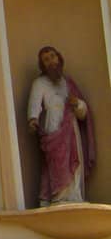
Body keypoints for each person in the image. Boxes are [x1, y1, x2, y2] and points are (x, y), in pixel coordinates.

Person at [28, 44, 95, 205]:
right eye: (46, 59)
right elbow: (35, 103)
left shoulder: (68, 83)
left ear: (59, 57)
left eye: (52, 56)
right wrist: (33, 119)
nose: (51, 61)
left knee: (74, 162)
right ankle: (59, 197)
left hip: (71, 131)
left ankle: (74, 196)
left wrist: (77, 104)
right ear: (42, 65)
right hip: (53, 131)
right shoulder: (40, 83)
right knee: (56, 163)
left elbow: (84, 113)